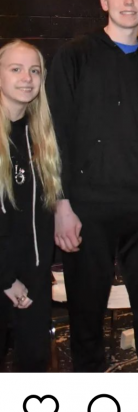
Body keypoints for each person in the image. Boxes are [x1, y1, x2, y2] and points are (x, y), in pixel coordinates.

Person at [46, 0, 138, 373]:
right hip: (88, 205)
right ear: (104, 1)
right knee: (86, 315)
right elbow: (54, 134)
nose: (128, 2)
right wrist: (61, 205)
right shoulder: (74, 56)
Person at [0, 41, 61, 372]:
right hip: (5, 277)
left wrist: (37, 276)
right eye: (16, 69)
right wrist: (7, 280)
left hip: (34, 279)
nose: (27, 78)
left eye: (34, 71)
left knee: (34, 366)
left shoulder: (41, 136)